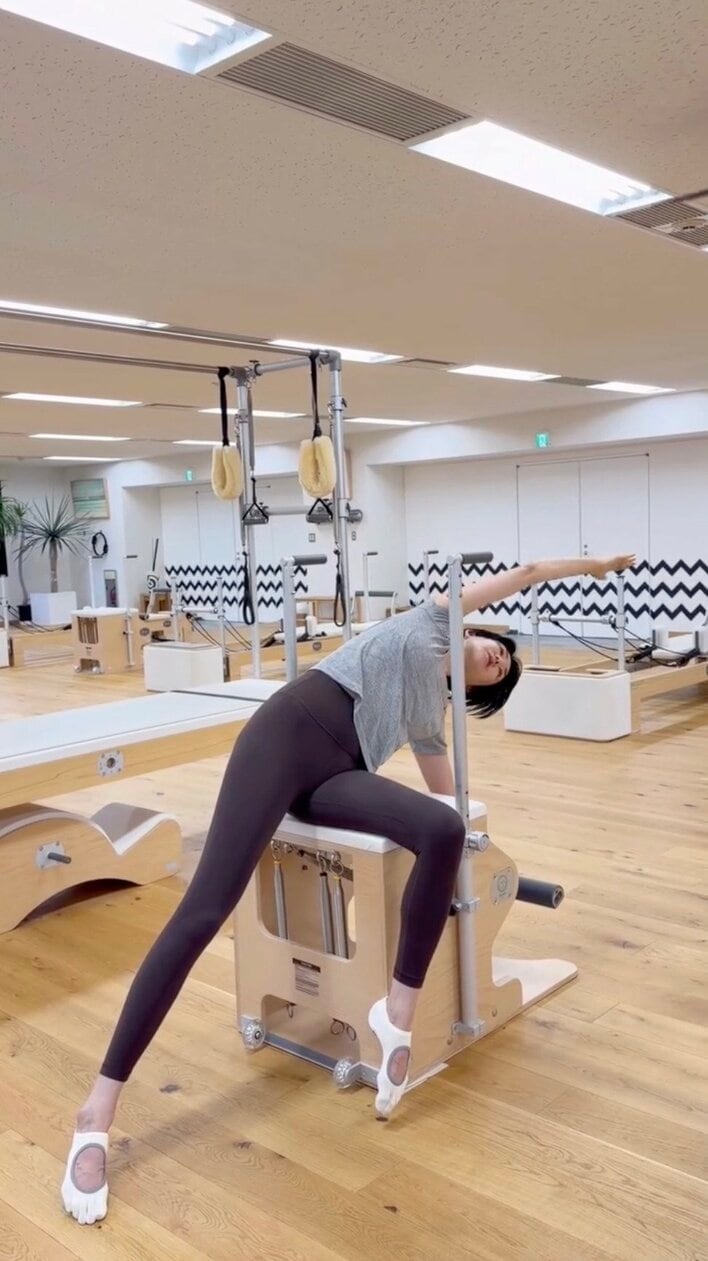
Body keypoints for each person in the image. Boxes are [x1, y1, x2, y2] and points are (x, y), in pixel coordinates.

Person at [61, 551, 634, 1224]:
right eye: (498, 651)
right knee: (204, 911)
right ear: (481, 631)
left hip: (337, 774)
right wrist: (593, 565)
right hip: (286, 734)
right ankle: (97, 1110)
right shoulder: (435, 617)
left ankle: (397, 1013)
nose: (495, 660)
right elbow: (529, 571)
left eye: (497, 673)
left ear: (478, 689)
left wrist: (481, 852)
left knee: (443, 831)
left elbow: (449, 801)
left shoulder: (428, 720)